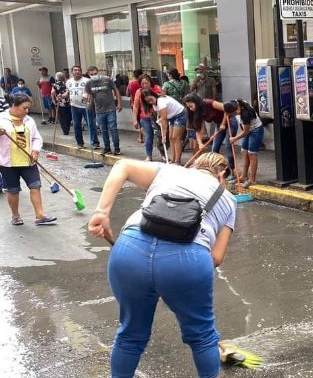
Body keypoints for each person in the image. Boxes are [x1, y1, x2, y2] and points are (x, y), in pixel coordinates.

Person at [87, 153, 235, 378]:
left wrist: (102, 212)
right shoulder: (227, 199)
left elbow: (122, 165)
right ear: (222, 174)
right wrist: (177, 286)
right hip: (187, 260)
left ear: (195, 165)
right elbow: (216, 258)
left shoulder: (170, 170)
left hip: (130, 249)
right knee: (203, 336)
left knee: (130, 335)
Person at [0, 93, 57, 226]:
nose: (27, 111)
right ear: (14, 106)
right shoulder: (2, 119)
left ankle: (40, 215)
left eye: (28, 108)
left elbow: (36, 138)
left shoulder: (29, 120)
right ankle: (15, 216)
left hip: (28, 160)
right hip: (8, 163)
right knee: (13, 190)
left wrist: (35, 151)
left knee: (35, 186)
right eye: (24, 108)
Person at [183, 94, 236, 170]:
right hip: (219, 125)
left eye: (191, 106)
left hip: (230, 121)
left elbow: (226, 109)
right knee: (214, 148)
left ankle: (232, 171)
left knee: (228, 146)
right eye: (188, 106)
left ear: (196, 102)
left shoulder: (209, 103)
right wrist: (200, 144)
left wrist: (223, 123)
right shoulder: (196, 112)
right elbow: (197, 129)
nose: (190, 108)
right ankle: (216, 170)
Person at [225, 99, 263, 188]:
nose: (234, 115)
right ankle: (243, 176)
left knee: (252, 154)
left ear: (237, 109)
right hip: (247, 130)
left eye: (234, 114)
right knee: (244, 151)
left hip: (255, 130)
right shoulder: (235, 103)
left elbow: (246, 132)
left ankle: (252, 179)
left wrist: (234, 139)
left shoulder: (245, 114)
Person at [142, 90, 186, 164]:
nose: (150, 102)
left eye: (151, 99)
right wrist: (160, 119)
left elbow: (164, 119)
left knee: (176, 138)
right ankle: (174, 159)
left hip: (180, 115)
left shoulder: (161, 102)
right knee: (171, 138)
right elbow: (161, 117)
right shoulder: (155, 105)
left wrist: (164, 135)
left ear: (154, 95)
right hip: (171, 117)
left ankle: (177, 161)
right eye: (148, 101)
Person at [86, 66, 122, 155]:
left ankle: (116, 147)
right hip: (99, 110)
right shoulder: (89, 83)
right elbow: (89, 95)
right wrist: (89, 104)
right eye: (91, 74)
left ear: (98, 72)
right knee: (103, 130)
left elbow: (116, 90)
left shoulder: (106, 79)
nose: (94, 75)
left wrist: (119, 103)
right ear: (88, 74)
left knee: (113, 128)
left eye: (95, 73)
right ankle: (107, 147)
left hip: (110, 108)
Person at [131, 74, 163, 161]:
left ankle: (163, 154)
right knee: (149, 136)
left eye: (146, 83)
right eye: (143, 84)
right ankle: (149, 155)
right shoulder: (139, 92)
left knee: (160, 136)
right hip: (145, 117)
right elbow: (136, 106)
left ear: (150, 82)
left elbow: (163, 99)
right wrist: (134, 120)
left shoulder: (157, 89)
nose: (145, 85)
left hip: (157, 116)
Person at [66, 65, 97, 149]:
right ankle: (79, 142)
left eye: (79, 70)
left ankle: (94, 142)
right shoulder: (69, 82)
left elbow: (93, 92)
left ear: (81, 72)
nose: (77, 72)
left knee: (90, 124)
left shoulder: (87, 81)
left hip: (86, 106)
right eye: (75, 70)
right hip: (74, 106)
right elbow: (68, 92)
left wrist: (90, 101)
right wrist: (63, 96)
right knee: (76, 125)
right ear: (72, 72)